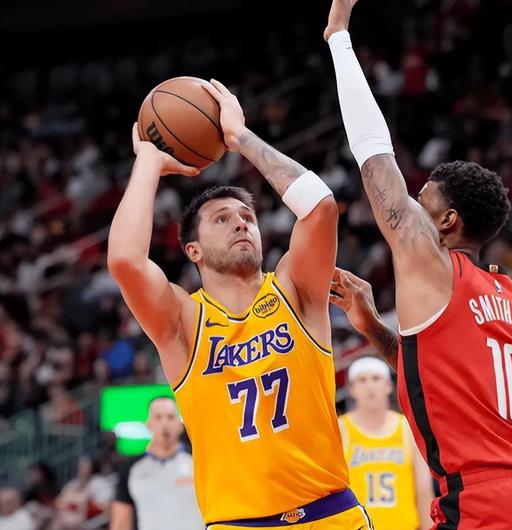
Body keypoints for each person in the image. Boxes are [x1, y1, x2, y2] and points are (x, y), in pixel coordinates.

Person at [324, 1, 512, 527]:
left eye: (421, 201)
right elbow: (451, 383)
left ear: (446, 222)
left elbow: (374, 155)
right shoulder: (508, 296)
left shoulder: (434, 263)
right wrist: (375, 329)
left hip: (487, 497)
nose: (410, 209)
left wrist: (339, 38)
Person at [108, 80, 369, 529]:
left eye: (248, 217)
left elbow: (320, 207)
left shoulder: (295, 290)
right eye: (222, 219)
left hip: (331, 513)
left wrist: (240, 138)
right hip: (238, 522)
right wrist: (148, 160)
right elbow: (125, 261)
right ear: (193, 251)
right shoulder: (183, 320)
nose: (241, 225)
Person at [339, 357, 434, 530]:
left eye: (376, 378)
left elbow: (423, 489)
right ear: (351, 389)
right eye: (362, 380)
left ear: (389, 386)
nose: (370, 386)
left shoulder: (407, 428)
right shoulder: (341, 429)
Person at [109, 397, 203, 530]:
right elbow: (120, 522)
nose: (164, 424)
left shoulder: (198, 462)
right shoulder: (131, 468)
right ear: (148, 424)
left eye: (170, 417)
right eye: (158, 417)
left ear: (180, 425)